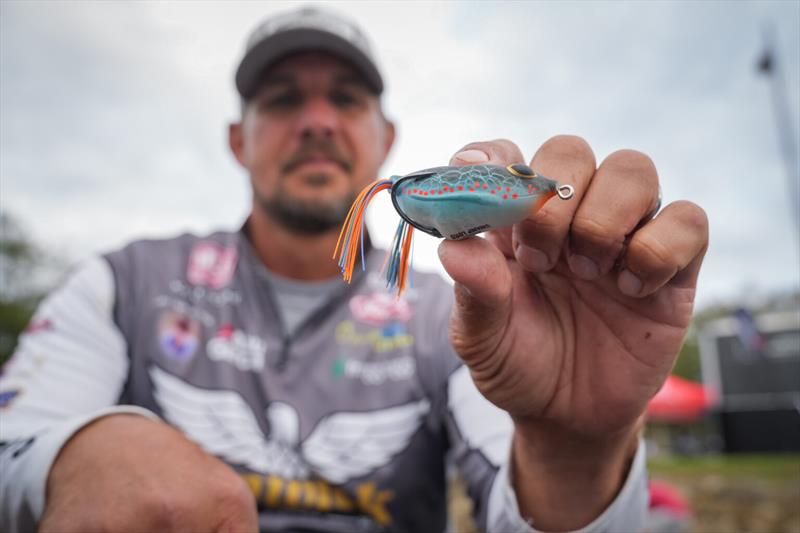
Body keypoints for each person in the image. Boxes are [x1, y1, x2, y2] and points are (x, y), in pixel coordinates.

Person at [0, 6, 708, 533]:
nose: (316, 120)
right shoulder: (122, 284)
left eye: (345, 97)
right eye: (282, 99)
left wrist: (575, 450)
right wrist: (68, 453)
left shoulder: (470, 313)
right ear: (238, 140)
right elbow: (15, 435)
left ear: (386, 137)